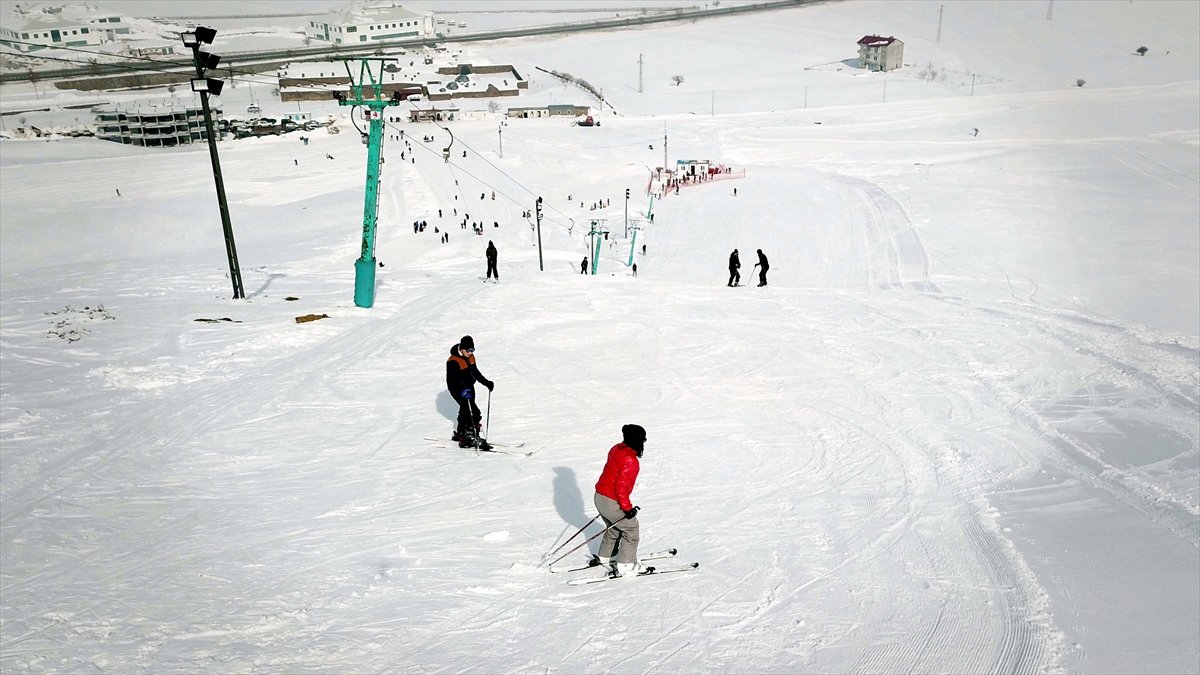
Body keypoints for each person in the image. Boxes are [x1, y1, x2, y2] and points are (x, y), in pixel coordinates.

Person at [593, 424, 647, 578]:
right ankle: (627, 565)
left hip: (599, 497)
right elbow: (621, 489)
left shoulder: (616, 449)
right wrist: (627, 509)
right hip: (611, 500)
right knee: (631, 529)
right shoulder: (630, 460)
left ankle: (607, 556)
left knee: (614, 527)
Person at [445, 335, 494, 449]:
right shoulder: (453, 361)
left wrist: (486, 383)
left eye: (472, 350)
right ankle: (468, 436)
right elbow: (452, 380)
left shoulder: (471, 357)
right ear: (462, 348)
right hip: (456, 389)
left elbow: (475, 373)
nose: (470, 352)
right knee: (472, 411)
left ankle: (461, 433)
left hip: (469, 387)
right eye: (468, 350)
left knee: (465, 409)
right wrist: (461, 390)